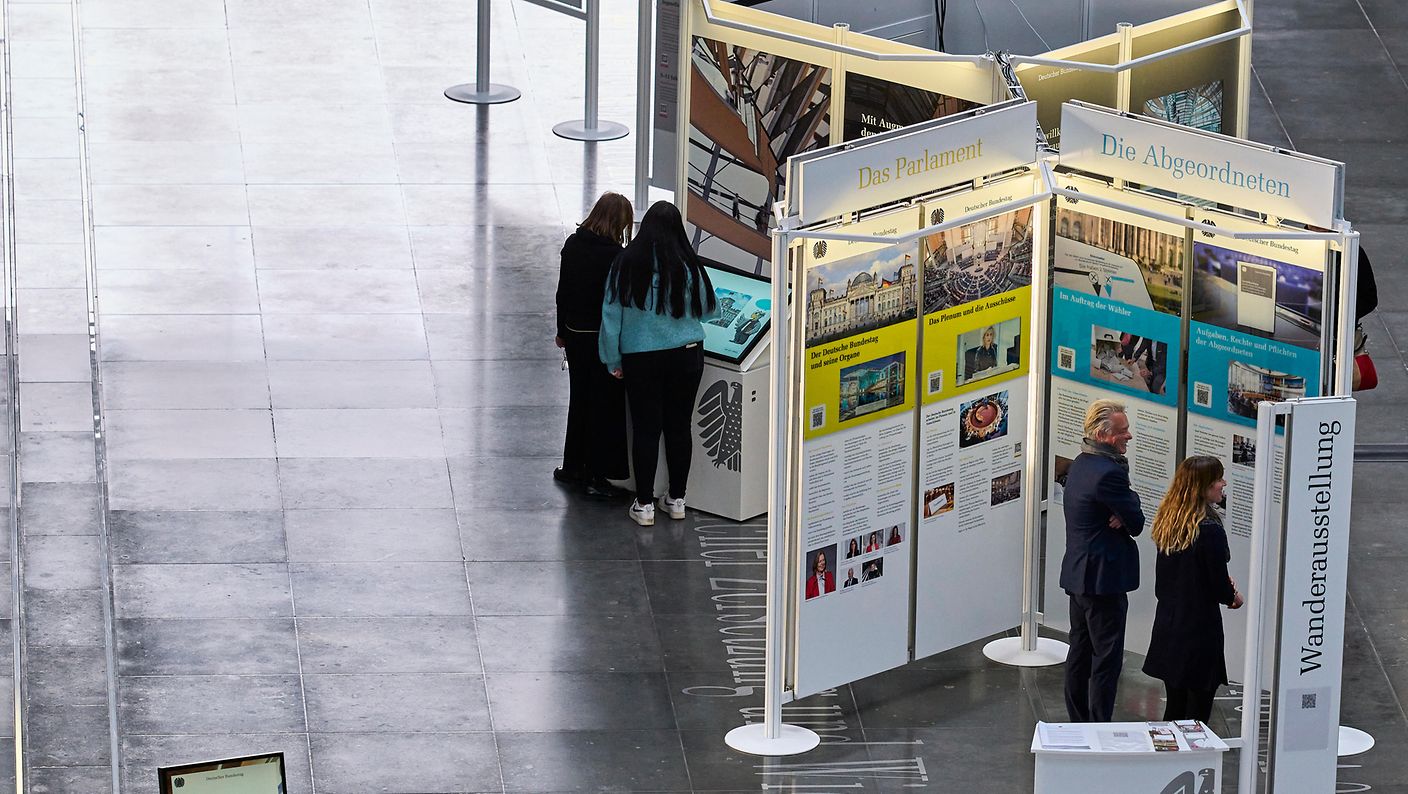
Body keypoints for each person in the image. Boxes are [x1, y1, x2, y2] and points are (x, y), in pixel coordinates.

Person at [600, 201, 718, 526]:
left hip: (641, 359)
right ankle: (677, 499)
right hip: (687, 355)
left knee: (646, 430)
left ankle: (644, 505)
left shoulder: (624, 264)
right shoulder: (689, 264)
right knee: (679, 427)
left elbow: (611, 316)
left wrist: (612, 359)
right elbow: (709, 309)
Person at [1059, 399, 1145, 722]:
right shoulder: (1110, 474)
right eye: (1122, 431)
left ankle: (1079, 722)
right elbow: (1136, 522)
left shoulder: (1081, 463)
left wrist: (1124, 506)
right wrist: (1127, 507)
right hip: (1103, 581)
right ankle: (1098, 727)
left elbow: (1125, 508)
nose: (1129, 436)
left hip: (1079, 577)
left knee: (1080, 652)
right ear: (1102, 434)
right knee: (1106, 659)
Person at [1143, 456, 1244, 722]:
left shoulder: (1169, 520)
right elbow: (1218, 585)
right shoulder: (1209, 529)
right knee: (1198, 713)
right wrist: (1233, 596)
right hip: (1198, 631)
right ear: (1203, 486)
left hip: (1169, 625)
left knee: (1175, 707)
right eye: (1218, 479)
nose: (1223, 483)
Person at [554, 192, 633, 498]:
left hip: (574, 334)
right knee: (604, 405)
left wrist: (561, 331)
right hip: (602, 338)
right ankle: (598, 476)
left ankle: (572, 467)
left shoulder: (573, 244)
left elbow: (563, 292)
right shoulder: (615, 256)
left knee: (579, 400)